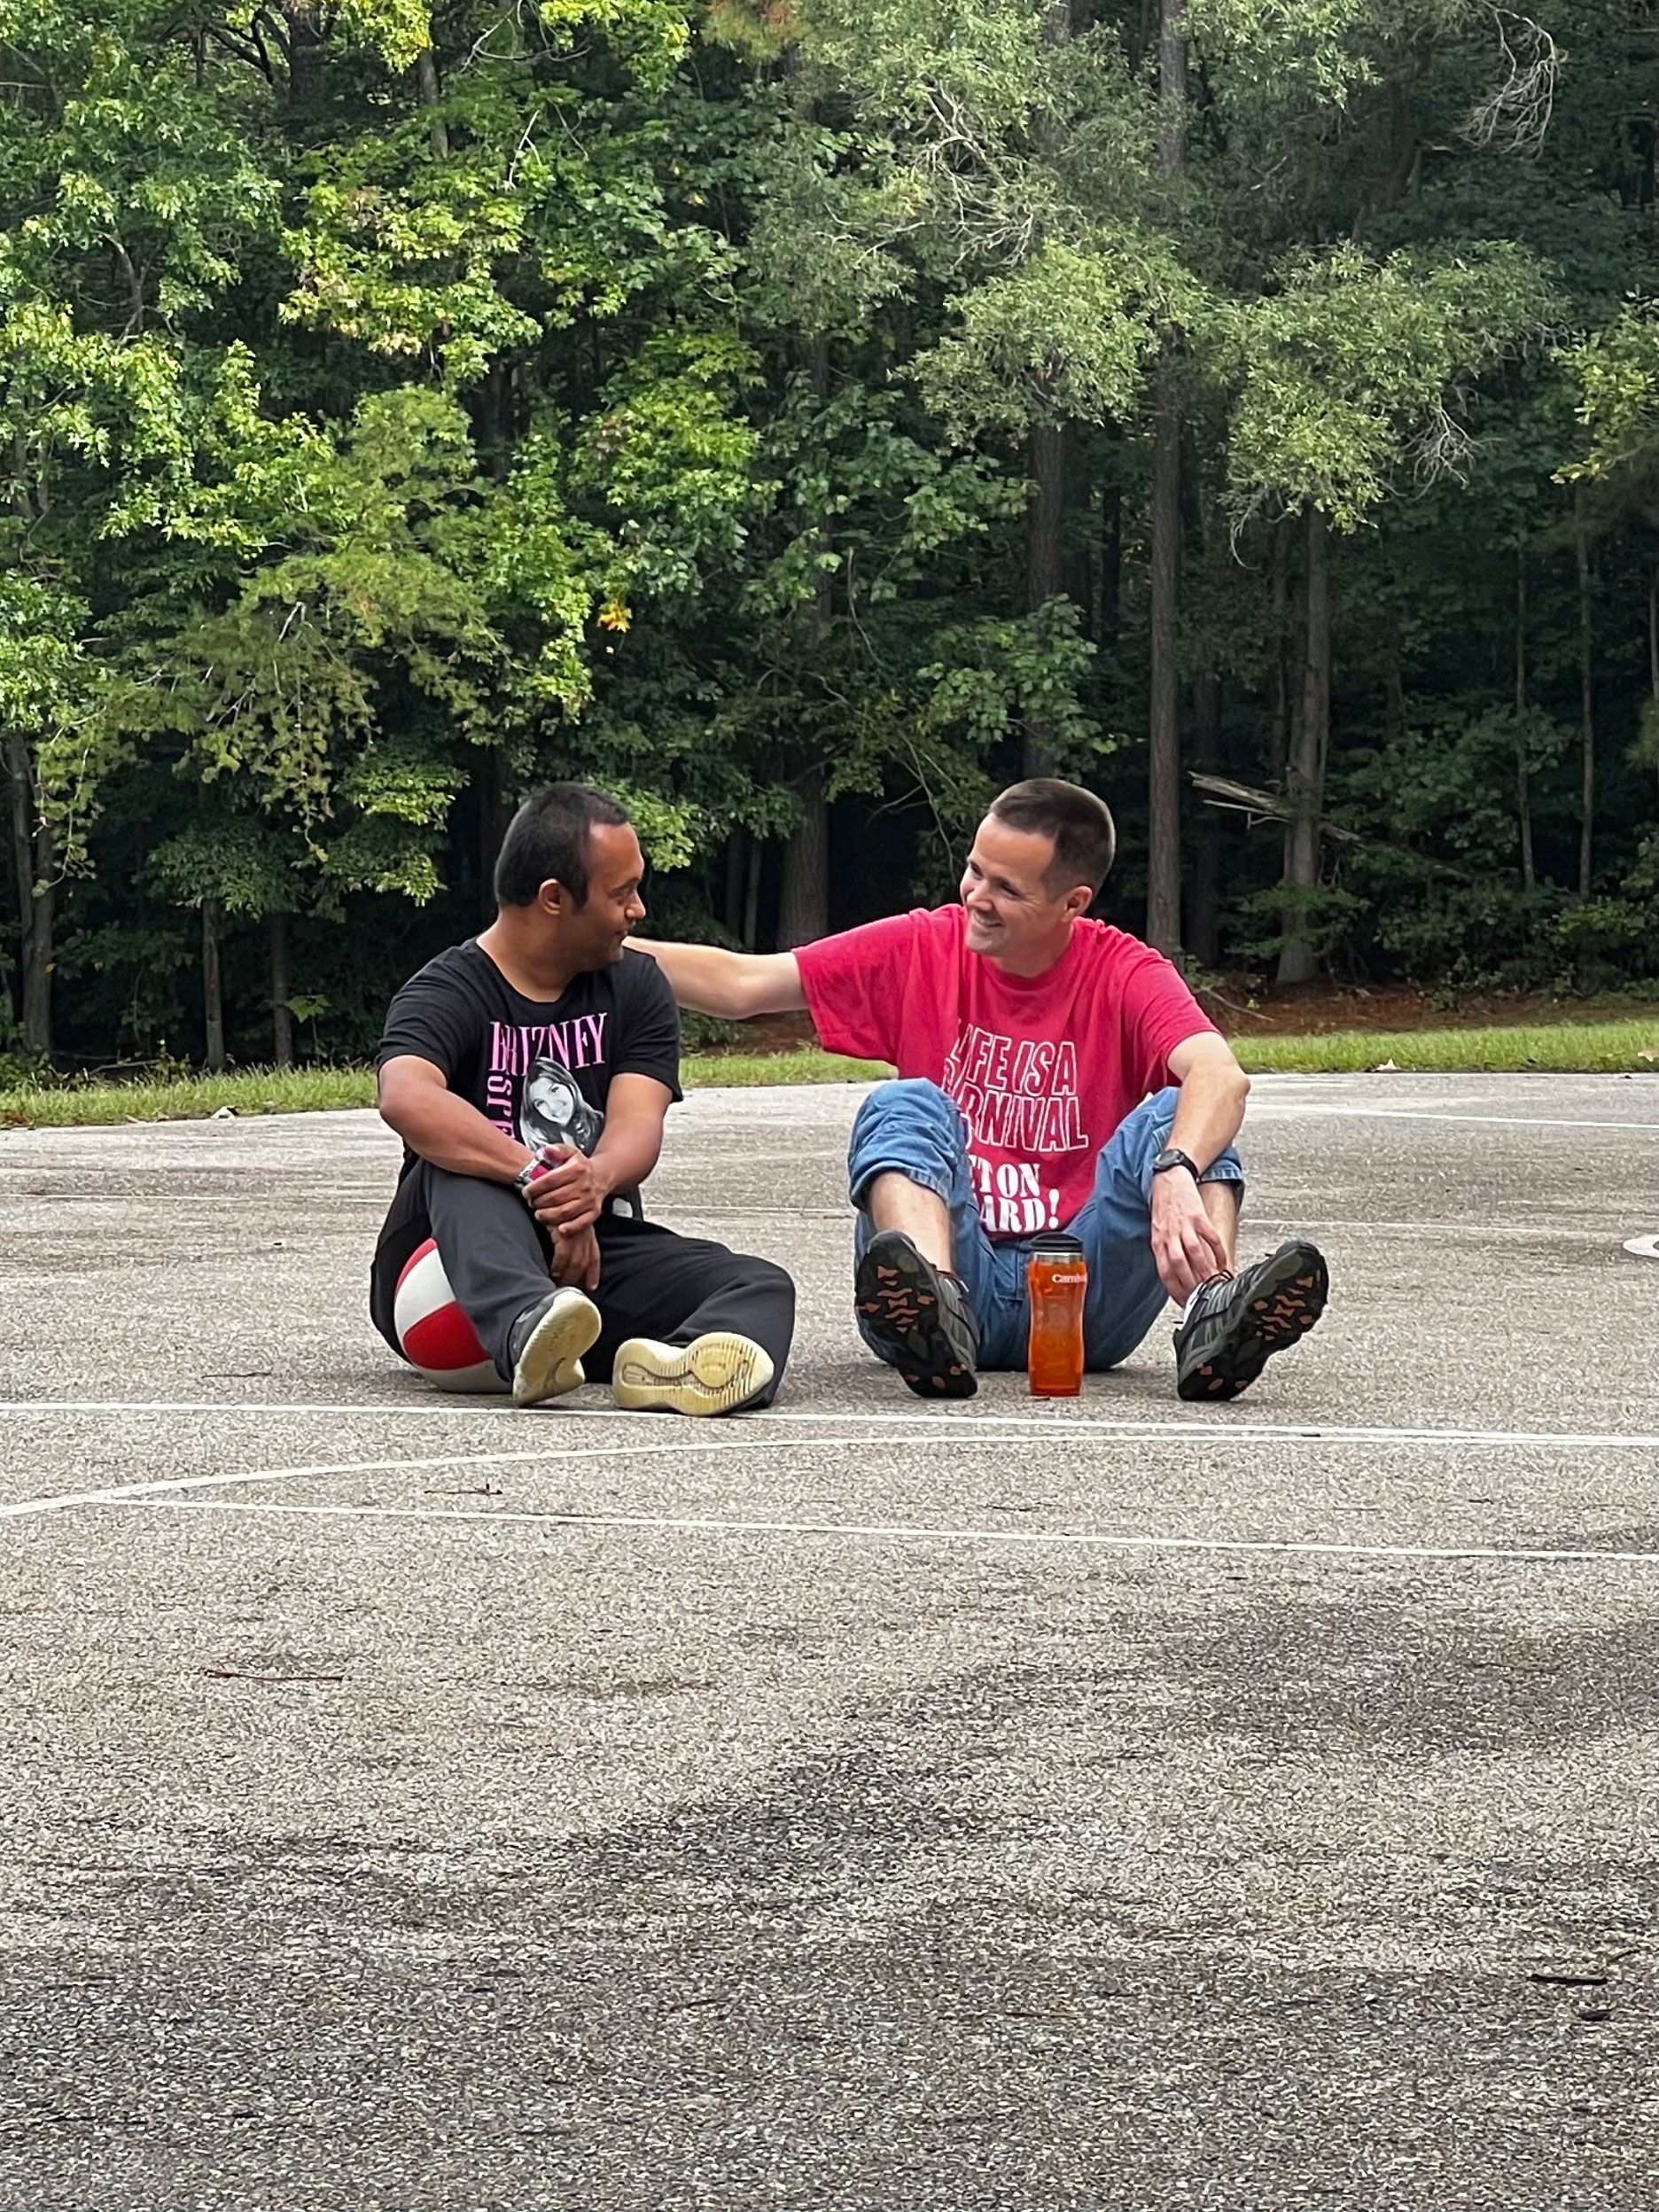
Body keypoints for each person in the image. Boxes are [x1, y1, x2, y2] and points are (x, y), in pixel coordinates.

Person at [630, 778, 1327, 1402]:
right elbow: (745, 984)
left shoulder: (1122, 969)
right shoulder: (924, 946)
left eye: (1007, 889)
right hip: (963, 1268)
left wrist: (1177, 1170)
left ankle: (1213, 1310)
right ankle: (930, 1301)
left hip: (1084, 1294)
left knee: (1185, 1116)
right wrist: (590, 938)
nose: (976, 897)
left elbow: (1221, 1074)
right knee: (902, 1104)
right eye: (974, 870)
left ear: (1072, 902)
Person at [371, 783, 794, 1413]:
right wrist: (537, 1179)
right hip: (444, 1278)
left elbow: (636, 1125)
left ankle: (673, 1362)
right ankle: (525, 1325)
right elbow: (405, 1098)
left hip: (583, 1266)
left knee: (758, 1284)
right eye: (622, 893)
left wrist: (594, 1184)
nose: (639, 910)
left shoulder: (636, 988)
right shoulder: (447, 990)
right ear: (553, 899)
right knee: (453, 1153)